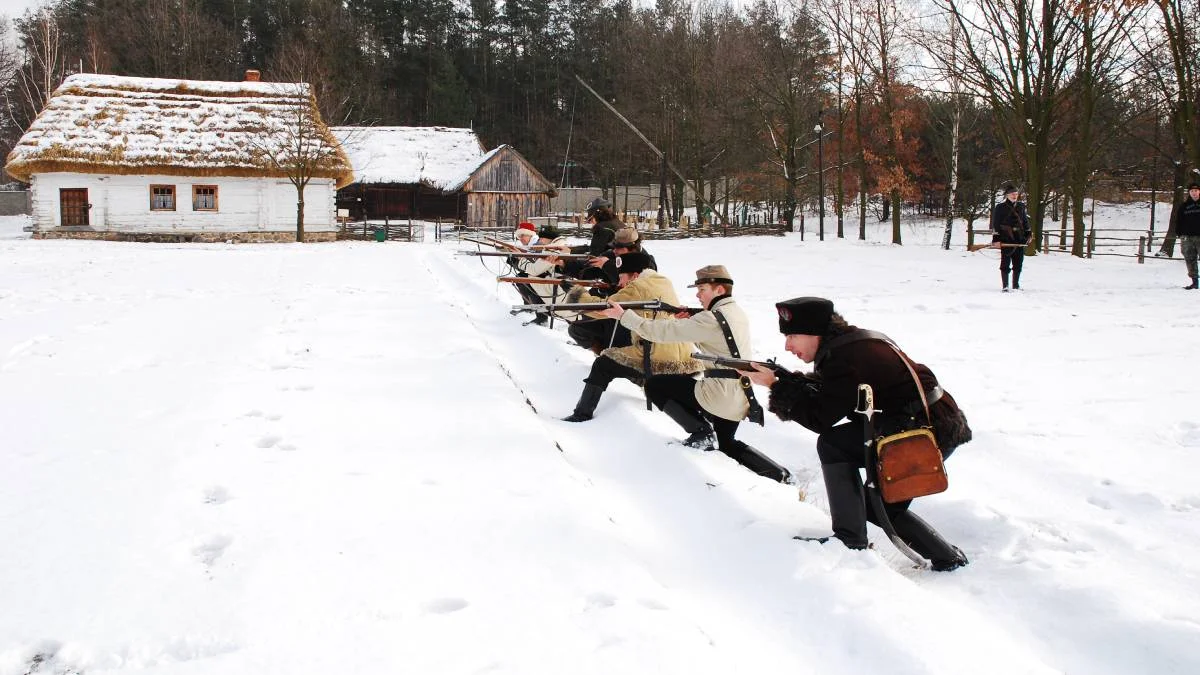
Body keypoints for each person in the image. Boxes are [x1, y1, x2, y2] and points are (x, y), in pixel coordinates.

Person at [741, 297, 971, 571]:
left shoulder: (845, 357)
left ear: (815, 332)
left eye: (792, 336)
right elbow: (835, 392)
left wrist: (775, 386)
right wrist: (786, 379)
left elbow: (820, 417)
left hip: (922, 434)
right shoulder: (847, 347)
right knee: (872, 495)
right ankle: (942, 557)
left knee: (842, 455)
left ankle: (855, 542)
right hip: (917, 425)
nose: (788, 346)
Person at [600, 265, 791, 483]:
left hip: (718, 395)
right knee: (728, 445)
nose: (698, 295)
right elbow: (714, 339)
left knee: (655, 385)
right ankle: (780, 476)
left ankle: (701, 432)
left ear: (719, 290)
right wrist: (688, 320)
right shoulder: (734, 312)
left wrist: (625, 316)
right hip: (738, 394)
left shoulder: (710, 319)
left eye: (702, 289)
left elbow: (661, 332)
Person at [562, 252, 698, 422]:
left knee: (603, 364)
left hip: (656, 352)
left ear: (634, 275)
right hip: (682, 351)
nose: (620, 283)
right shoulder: (663, 281)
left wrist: (577, 293)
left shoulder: (636, 287)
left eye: (621, 277)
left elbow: (602, 309)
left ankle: (581, 414)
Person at [566, 227, 655, 352]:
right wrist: (563, 264)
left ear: (632, 247)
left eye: (618, 247)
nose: (614, 250)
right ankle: (603, 352)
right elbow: (587, 269)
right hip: (611, 303)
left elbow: (638, 286)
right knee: (577, 329)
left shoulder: (647, 261)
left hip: (629, 313)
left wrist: (606, 265)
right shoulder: (612, 255)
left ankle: (611, 355)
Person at [510, 225, 571, 326]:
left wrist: (521, 258)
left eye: (542, 238)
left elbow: (535, 270)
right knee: (524, 279)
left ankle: (542, 316)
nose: (540, 240)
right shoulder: (553, 246)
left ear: (549, 238)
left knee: (528, 280)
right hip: (554, 280)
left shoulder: (553, 249)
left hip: (557, 284)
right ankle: (539, 314)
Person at [990, 183, 1031, 291]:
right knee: (1005, 263)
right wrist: (996, 239)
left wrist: (1028, 233)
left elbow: (1025, 222)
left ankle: (1016, 285)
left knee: (1018, 263)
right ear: (1007, 195)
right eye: (1012, 194)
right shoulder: (1000, 207)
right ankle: (1005, 286)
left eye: (1016, 194)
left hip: (1019, 239)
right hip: (1006, 238)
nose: (1014, 195)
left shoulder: (1021, 206)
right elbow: (996, 224)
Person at [1170, 182, 1200, 290]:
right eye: (1192, 191)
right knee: (1190, 259)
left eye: (1196, 191)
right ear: (1189, 193)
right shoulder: (1184, 206)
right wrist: (1179, 233)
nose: (1194, 193)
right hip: (1187, 237)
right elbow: (1178, 221)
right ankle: (1195, 282)